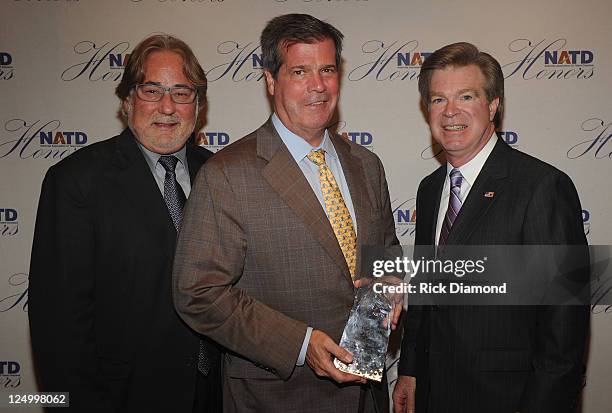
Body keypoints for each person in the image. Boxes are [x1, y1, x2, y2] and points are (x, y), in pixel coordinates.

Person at [173, 13, 400, 413]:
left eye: (327, 69)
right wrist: (299, 343)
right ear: (271, 80)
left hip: (367, 396)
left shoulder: (366, 164)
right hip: (278, 397)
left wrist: (391, 281)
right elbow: (199, 293)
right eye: (300, 71)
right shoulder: (228, 174)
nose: (318, 86)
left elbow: (385, 252)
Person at [392, 42, 589, 413]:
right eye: (438, 99)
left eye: (466, 96)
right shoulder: (430, 189)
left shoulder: (542, 187)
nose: (450, 112)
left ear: (494, 104)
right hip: (434, 394)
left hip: (507, 398)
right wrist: (410, 371)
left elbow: (564, 325)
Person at [29, 34, 221, 412]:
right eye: (153, 90)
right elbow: (59, 325)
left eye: (182, 93)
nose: (167, 107)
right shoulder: (76, 182)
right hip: (121, 398)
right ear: (127, 100)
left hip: (214, 396)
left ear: (198, 107)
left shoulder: (219, 174)